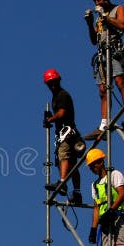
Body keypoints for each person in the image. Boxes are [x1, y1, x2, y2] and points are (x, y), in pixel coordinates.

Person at [83, 0, 124, 140]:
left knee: (120, 82)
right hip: (101, 54)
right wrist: (90, 22)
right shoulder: (99, 17)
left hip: (114, 51)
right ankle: (104, 124)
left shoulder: (118, 9)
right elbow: (94, 40)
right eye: (95, 0)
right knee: (103, 90)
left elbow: (122, 25)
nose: (97, 3)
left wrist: (105, 17)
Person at [42, 69, 84, 205]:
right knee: (72, 164)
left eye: (53, 82)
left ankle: (62, 182)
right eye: (50, 83)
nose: (52, 85)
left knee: (64, 156)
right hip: (67, 133)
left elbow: (62, 113)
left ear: (58, 80)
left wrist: (50, 119)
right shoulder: (56, 96)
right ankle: (77, 192)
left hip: (67, 133)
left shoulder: (62, 95)